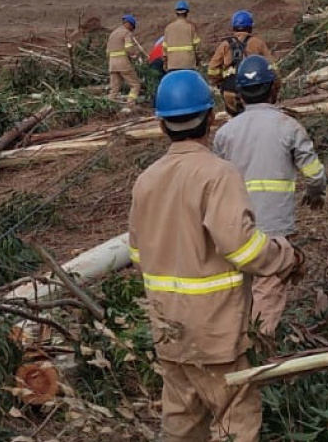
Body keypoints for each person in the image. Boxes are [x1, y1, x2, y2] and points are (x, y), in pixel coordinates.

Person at [129, 69, 303, 442]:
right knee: (234, 420)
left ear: (161, 125)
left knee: (180, 423)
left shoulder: (146, 180)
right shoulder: (218, 175)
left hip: (168, 329)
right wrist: (287, 258)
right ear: (211, 118)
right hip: (215, 330)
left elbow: (137, 252)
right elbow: (243, 247)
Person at [212, 55, 326, 336]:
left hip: (235, 226)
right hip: (274, 226)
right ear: (274, 88)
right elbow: (314, 174)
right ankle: (260, 351)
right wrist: (315, 194)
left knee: (239, 285)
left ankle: (237, 342)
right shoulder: (288, 127)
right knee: (269, 283)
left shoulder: (225, 133)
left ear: (239, 94)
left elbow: (212, 181)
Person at [207, 10, 275, 116]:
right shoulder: (258, 43)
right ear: (250, 27)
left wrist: (221, 83)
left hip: (230, 91)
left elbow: (212, 70)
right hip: (255, 90)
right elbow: (273, 68)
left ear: (233, 27)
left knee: (235, 118)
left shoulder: (225, 45)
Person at [105, 14, 143, 106]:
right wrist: (134, 55)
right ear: (130, 24)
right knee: (135, 85)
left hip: (112, 64)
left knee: (114, 88)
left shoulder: (113, 33)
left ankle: (109, 105)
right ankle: (130, 104)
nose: (132, 29)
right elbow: (129, 48)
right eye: (132, 27)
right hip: (123, 64)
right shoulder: (126, 33)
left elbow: (107, 51)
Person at [162, 0, 201, 73]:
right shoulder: (190, 27)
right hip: (188, 64)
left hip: (172, 65)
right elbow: (197, 47)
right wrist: (198, 60)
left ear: (176, 13)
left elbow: (164, 48)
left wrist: (165, 63)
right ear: (187, 13)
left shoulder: (168, 28)